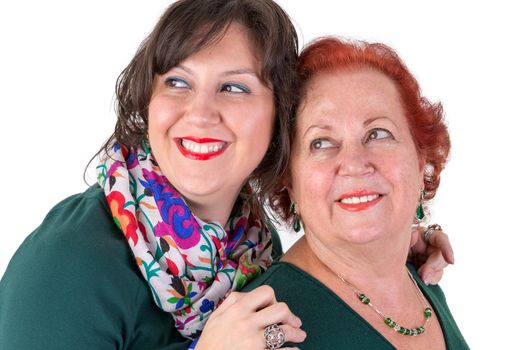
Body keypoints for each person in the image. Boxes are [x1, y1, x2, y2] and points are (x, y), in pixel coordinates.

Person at [0, 1, 453, 349]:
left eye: (233, 87)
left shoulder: (248, 246)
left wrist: (382, 246)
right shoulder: (70, 263)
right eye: (177, 82)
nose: (200, 114)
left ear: (278, 120)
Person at [244, 37, 469, 349]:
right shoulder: (262, 328)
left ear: (421, 158)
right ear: (289, 180)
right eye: (320, 142)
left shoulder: (422, 280)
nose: (353, 163)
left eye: (377, 134)